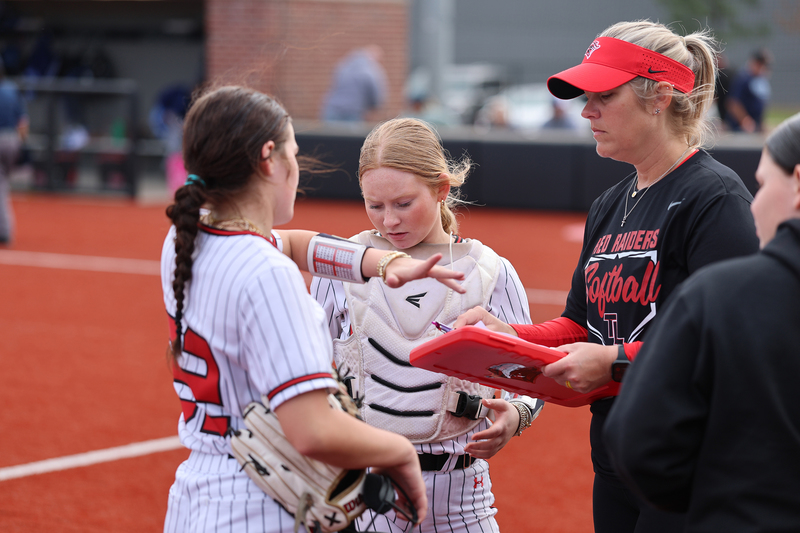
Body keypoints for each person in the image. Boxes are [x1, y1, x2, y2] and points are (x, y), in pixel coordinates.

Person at [454, 20, 759, 533]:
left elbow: (729, 345)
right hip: (618, 458)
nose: (586, 110)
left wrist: (615, 365)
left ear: (660, 96)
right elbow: (579, 325)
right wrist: (510, 338)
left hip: (692, 466)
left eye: (603, 95)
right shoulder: (609, 204)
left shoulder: (715, 200)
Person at [161, 86, 470, 532]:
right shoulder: (267, 274)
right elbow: (312, 431)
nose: (297, 167)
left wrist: (383, 263)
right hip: (258, 508)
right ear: (269, 158)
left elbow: (293, 244)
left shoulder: (186, 240)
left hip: (196, 492)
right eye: (294, 152)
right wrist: (397, 451)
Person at [311, 117, 544, 533]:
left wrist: (517, 414)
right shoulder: (342, 264)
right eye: (374, 205)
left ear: (441, 189)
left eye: (403, 203)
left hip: (463, 498)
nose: (389, 221)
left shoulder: (489, 270)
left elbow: (532, 376)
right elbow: (309, 365)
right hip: (369, 494)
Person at [604, 112, 800, 532]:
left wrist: (703, 505)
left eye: (764, 184)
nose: (755, 202)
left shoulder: (719, 294)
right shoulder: (610, 203)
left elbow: (639, 443)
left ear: (798, 183)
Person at [0, 57, 28, 245]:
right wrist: (21, 145)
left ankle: (4, 231)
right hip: (13, 140)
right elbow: (23, 125)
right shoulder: (12, 89)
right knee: (3, 185)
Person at [321, 45, 388, 123]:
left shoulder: (344, 65)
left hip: (332, 109)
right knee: (350, 135)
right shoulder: (369, 69)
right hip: (353, 112)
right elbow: (375, 90)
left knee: (330, 134)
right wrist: (375, 105)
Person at [725, 48, 773, 133]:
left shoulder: (760, 80)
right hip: (740, 128)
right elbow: (733, 103)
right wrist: (744, 120)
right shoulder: (743, 78)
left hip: (755, 126)